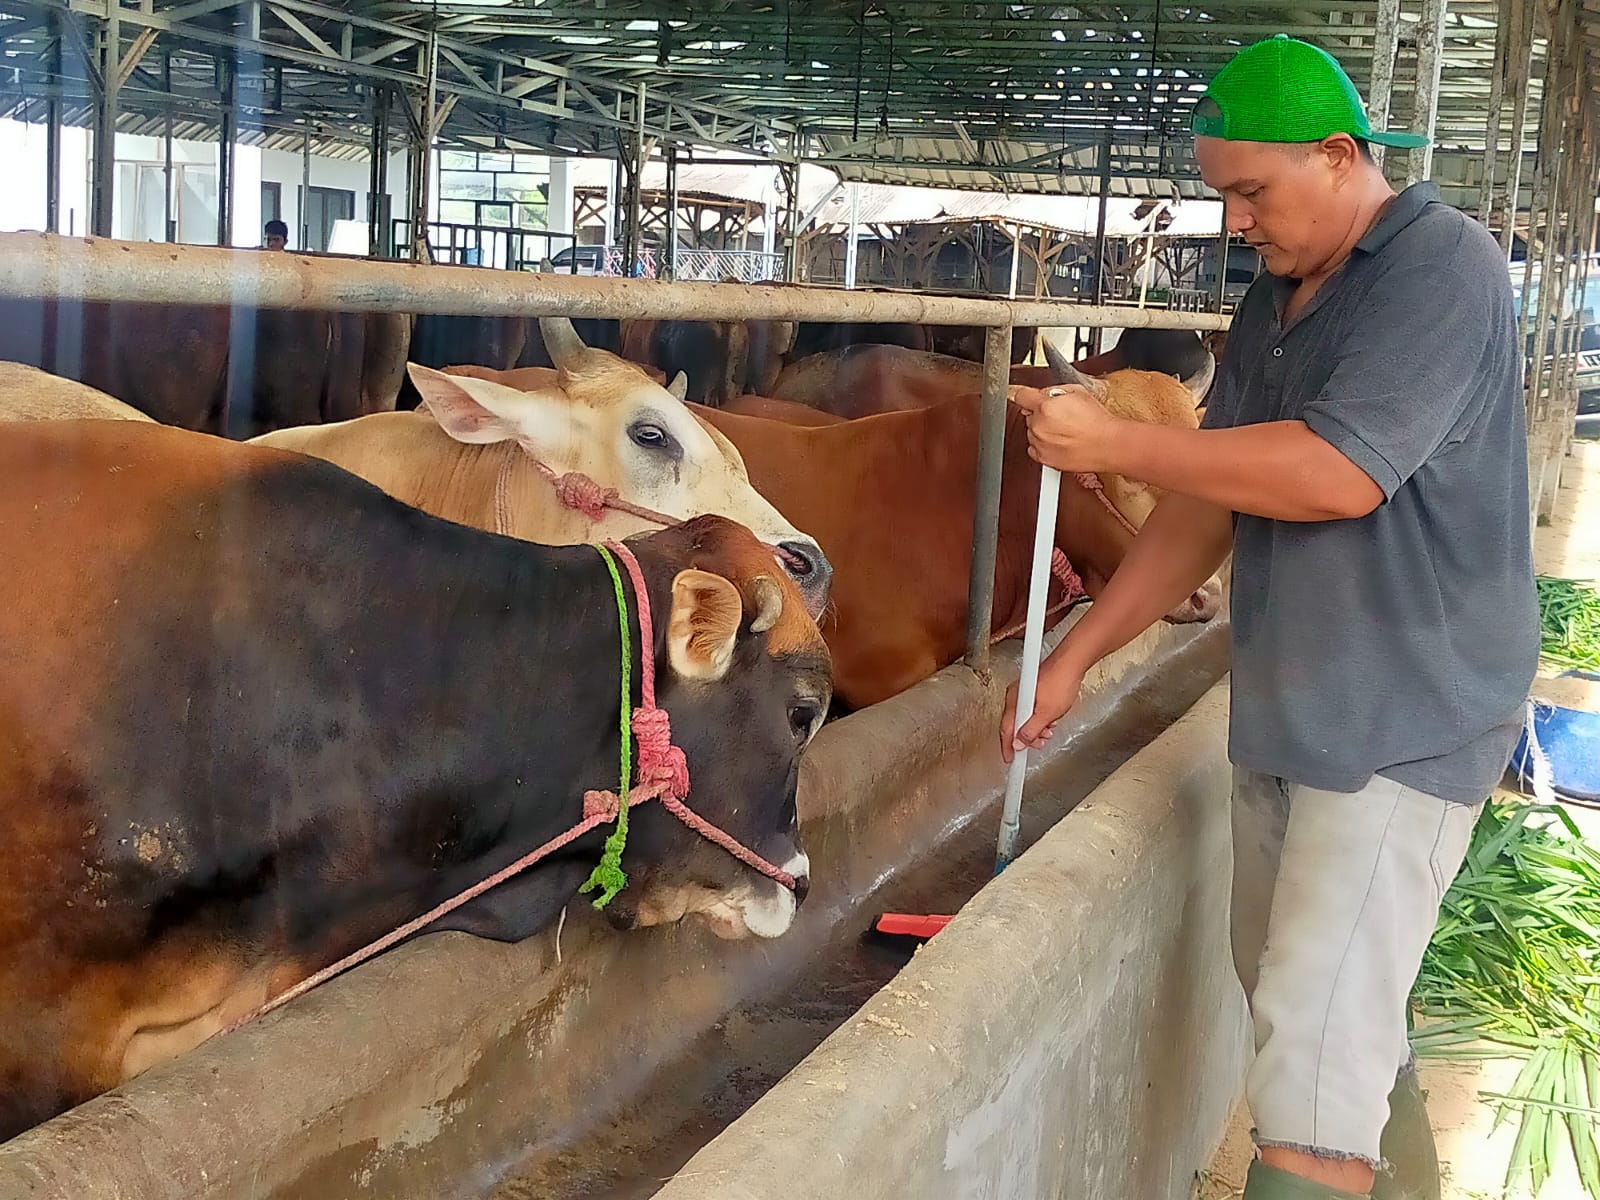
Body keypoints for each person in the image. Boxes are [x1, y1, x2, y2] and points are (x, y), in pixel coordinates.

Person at [1001, 34, 1537, 1200]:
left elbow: (1337, 473)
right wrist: (1076, 654)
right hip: (1295, 709)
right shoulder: (1272, 309)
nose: (1237, 221)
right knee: (1317, 1018)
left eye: (1253, 190)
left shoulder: (1440, 269)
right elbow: (1206, 505)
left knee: (1305, 1074)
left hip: (1404, 717)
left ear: (1339, 157)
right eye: (1223, 196)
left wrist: (1113, 442)